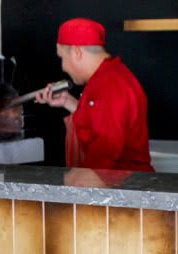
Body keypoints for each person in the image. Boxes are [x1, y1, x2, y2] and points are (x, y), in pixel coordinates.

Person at [35, 18, 152, 172]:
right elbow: (102, 120)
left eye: (62, 57)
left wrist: (79, 182)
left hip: (125, 189)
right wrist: (68, 102)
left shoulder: (107, 85)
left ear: (76, 52)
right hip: (123, 185)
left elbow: (105, 152)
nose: (63, 67)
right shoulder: (112, 75)